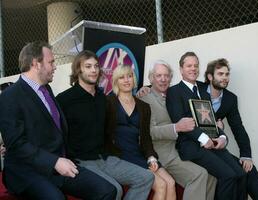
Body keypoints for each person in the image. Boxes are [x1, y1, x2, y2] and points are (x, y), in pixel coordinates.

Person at [0, 41, 116, 200]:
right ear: (36, 64)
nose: (55, 66)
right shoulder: (9, 96)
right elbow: (17, 144)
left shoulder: (46, 90)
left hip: (59, 165)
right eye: (51, 62)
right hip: (26, 171)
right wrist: (54, 161)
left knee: (107, 190)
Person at [56, 50, 154, 200]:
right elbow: (54, 130)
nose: (94, 70)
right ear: (78, 69)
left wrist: (147, 88)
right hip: (81, 161)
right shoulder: (65, 99)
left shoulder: (103, 99)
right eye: (88, 66)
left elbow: (125, 99)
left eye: (96, 66)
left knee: (146, 177)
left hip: (106, 158)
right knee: (115, 190)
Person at [166, 52, 247, 200]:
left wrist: (222, 137)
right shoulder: (174, 91)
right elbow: (180, 121)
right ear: (181, 69)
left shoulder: (203, 91)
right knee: (228, 175)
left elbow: (212, 120)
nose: (193, 69)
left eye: (196, 65)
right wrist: (203, 138)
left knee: (241, 174)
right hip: (191, 145)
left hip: (212, 143)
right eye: (189, 65)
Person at [139, 60, 216, 200]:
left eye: (166, 76)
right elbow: (149, 132)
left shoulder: (174, 93)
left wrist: (216, 124)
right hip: (164, 153)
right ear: (151, 78)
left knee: (212, 175)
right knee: (199, 175)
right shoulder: (146, 98)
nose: (163, 79)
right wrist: (176, 127)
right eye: (158, 76)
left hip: (185, 147)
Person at [204, 58, 258, 200]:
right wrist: (147, 88)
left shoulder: (230, 99)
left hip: (217, 147)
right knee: (232, 174)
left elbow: (238, 128)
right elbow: (173, 90)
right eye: (220, 74)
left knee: (248, 169)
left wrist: (246, 155)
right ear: (210, 77)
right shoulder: (196, 89)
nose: (225, 77)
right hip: (198, 145)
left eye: (227, 74)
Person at [106, 65, 176, 200]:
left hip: (139, 154)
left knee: (170, 183)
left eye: (130, 76)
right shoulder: (108, 102)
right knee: (161, 185)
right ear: (115, 81)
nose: (126, 80)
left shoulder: (144, 106)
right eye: (122, 77)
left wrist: (151, 157)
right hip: (119, 155)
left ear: (134, 79)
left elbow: (146, 137)